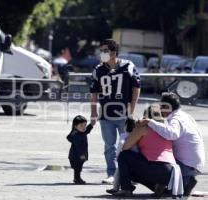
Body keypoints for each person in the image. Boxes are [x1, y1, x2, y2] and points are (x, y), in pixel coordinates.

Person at [90, 38, 141, 184]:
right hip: (106, 114)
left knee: (129, 144)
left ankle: (132, 175)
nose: (103, 54)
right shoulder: (98, 69)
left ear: (114, 52)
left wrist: (132, 108)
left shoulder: (128, 66)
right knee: (109, 146)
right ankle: (112, 174)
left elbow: (136, 87)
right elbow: (93, 92)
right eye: (101, 51)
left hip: (124, 114)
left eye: (105, 51)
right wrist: (93, 112)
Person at [138, 92, 205, 196]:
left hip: (185, 165)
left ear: (167, 107)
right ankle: (185, 183)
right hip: (194, 164)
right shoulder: (186, 116)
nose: (160, 110)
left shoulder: (176, 119)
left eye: (161, 107)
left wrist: (150, 122)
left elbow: (171, 134)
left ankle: (180, 185)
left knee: (152, 166)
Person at [113, 105, 176, 197]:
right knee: (139, 168)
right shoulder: (166, 130)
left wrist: (134, 130)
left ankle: (126, 189)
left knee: (124, 156)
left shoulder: (143, 129)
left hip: (154, 167)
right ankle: (158, 186)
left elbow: (125, 147)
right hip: (170, 170)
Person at [67, 115, 93, 184]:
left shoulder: (81, 132)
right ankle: (77, 179)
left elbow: (87, 131)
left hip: (77, 155)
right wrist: (81, 155)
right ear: (75, 126)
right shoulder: (76, 135)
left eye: (85, 125)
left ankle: (77, 178)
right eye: (81, 125)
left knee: (78, 168)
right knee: (78, 168)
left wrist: (91, 125)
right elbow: (78, 147)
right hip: (76, 156)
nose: (84, 127)